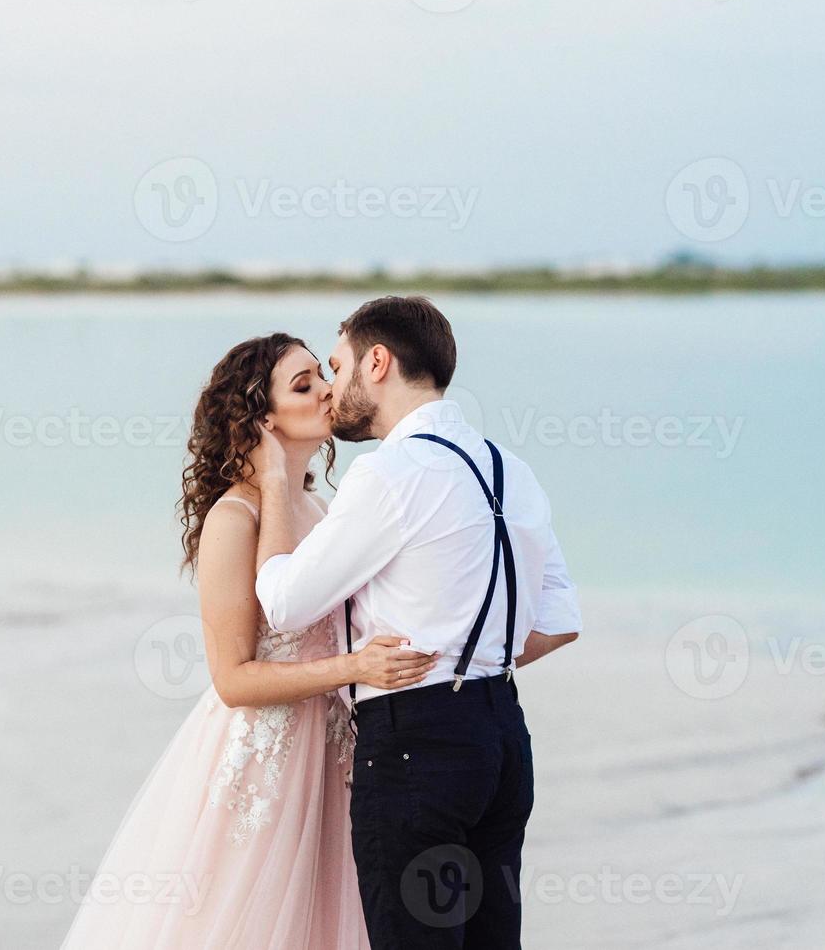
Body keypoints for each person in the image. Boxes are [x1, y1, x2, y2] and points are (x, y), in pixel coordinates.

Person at [60, 332, 438, 949]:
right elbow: (233, 679)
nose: (326, 389)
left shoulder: (322, 509)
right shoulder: (233, 520)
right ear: (262, 419)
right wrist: (353, 666)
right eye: (303, 384)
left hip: (337, 755)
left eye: (322, 373)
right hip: (268, 762)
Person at [250, 296, 583, 949]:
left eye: (338, 366)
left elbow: (285, 602)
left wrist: (270, 487)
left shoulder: (389, 473)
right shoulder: (511, 469)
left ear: (377, 362)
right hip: (504, 743)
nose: (332, 387)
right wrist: (475, 658)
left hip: (415, 749)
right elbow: (560, 621)